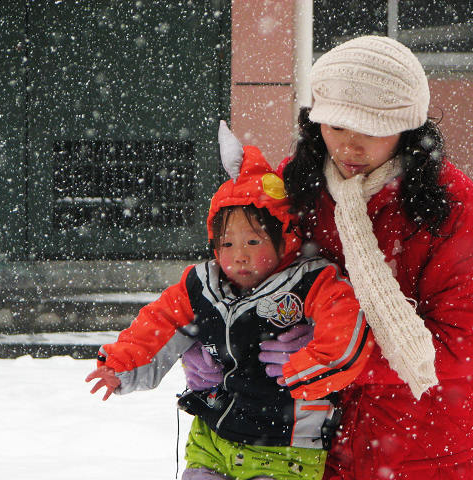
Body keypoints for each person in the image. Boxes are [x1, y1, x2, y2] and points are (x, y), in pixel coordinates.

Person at [85, 121, 374, 480]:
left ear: (285, 237)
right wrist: (120, 365)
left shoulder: (311, 280)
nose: (239, 256)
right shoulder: (201, 284)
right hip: (214, 434)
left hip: (285, 446)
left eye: (253, 243)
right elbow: (158, 324)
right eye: (227, 244)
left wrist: (313, 365)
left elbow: (346, 326)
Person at [272, 36, 473, 480]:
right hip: (308, 445)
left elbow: (457, 346)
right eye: (336, 127)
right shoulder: (295, 186)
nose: (349, 147)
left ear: (408, 128)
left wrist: (338, 361)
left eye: (370, 131)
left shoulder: (452, 205)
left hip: (426, 448)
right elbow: (246, 279)